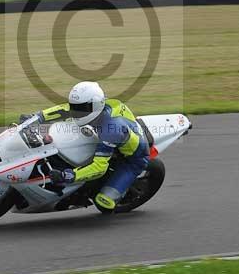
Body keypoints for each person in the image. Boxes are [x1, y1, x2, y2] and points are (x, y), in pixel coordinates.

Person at [21, 81, 150, 213]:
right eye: (75, 107)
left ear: (96, 105)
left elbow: (99, 167)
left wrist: (69, 176)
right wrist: (35, 118)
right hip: (112, 135)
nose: (77, 112)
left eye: (82, 108)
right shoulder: (90, 109)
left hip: (133, 158)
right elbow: (63, 109)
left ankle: (111, 190)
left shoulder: (110, 130)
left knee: (104, 202)